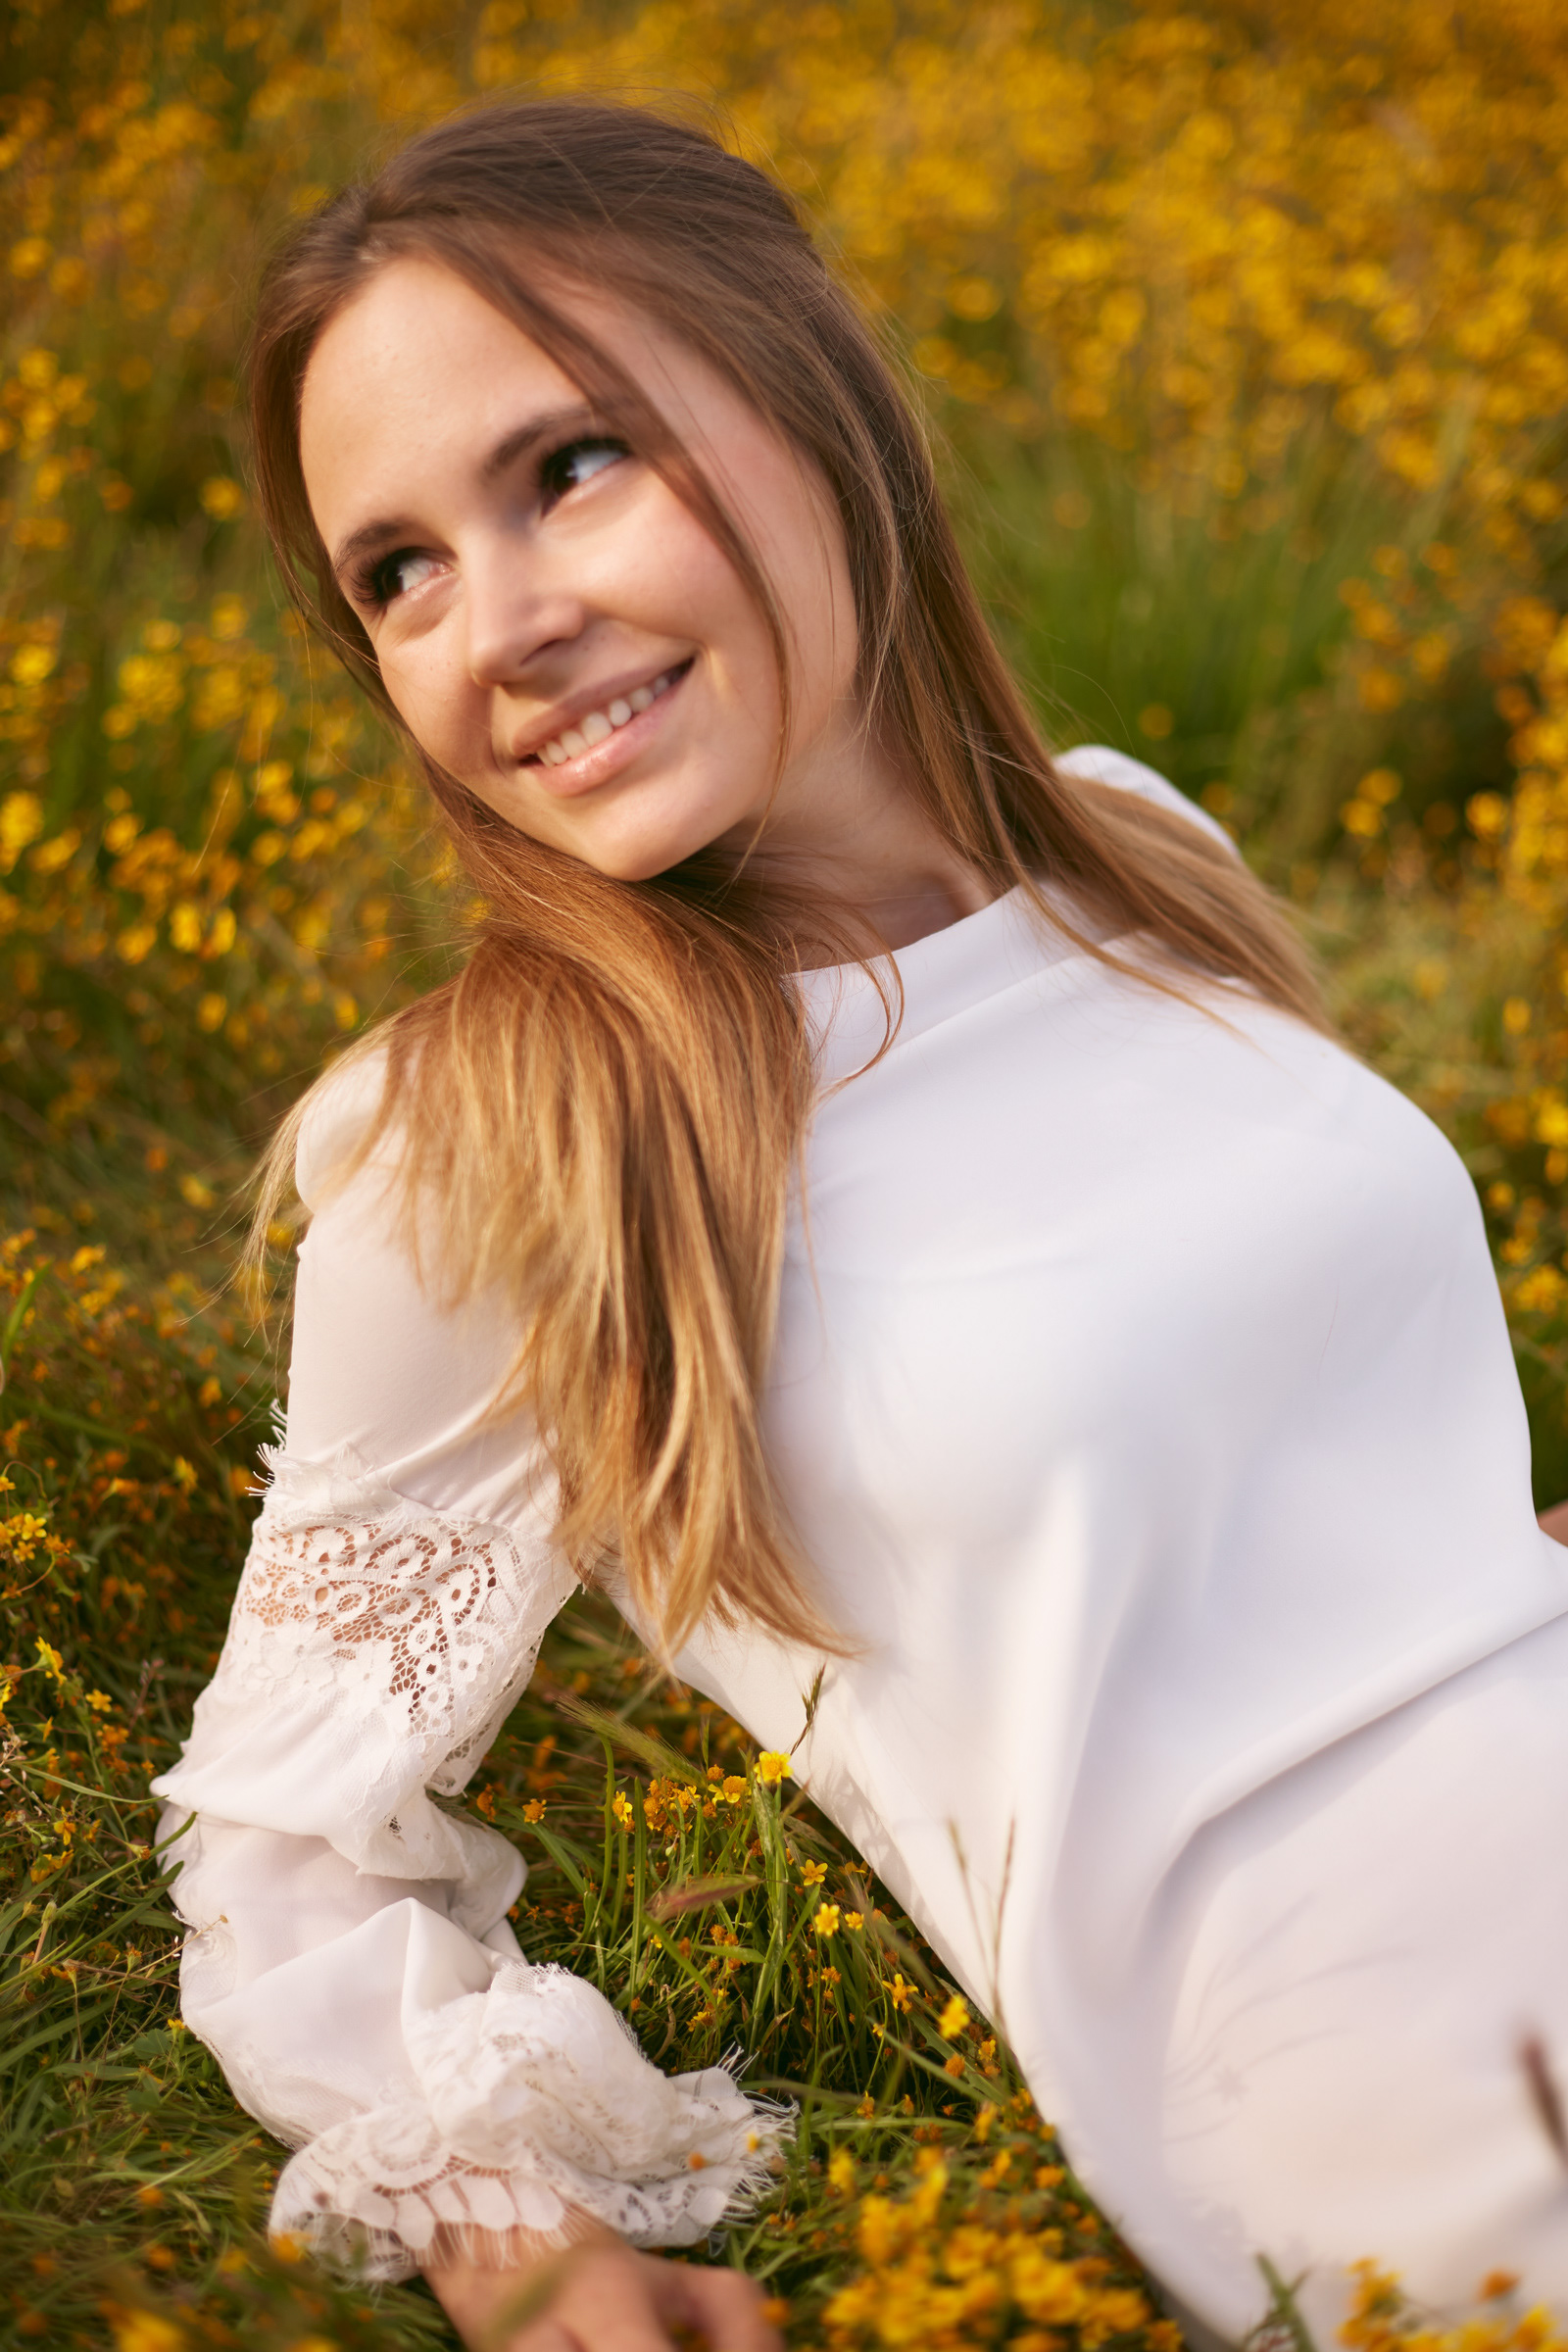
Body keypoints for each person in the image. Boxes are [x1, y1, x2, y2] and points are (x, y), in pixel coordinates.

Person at [152, 96, 1568, 2352]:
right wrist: (529, 2265)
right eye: (396, 574)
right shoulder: (503, 1133)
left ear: (812, 402)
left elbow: (1314, 1449)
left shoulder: (1130, 852)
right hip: (1403, 2052)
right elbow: (278, 1846)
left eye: (566, 465)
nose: (494, 625)